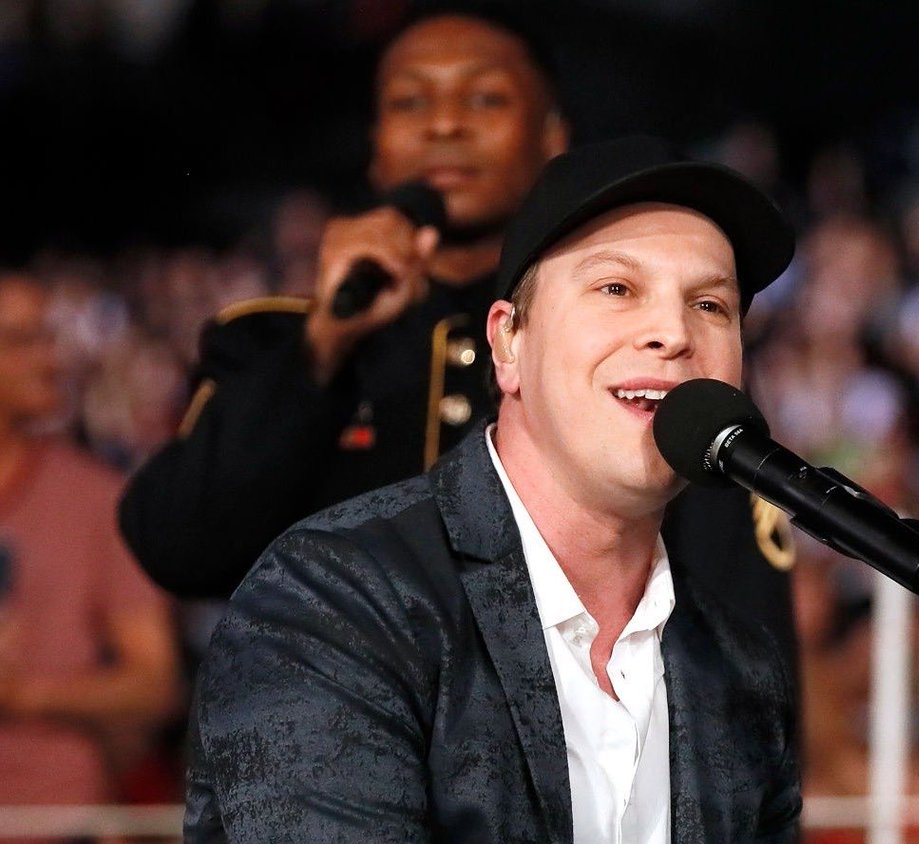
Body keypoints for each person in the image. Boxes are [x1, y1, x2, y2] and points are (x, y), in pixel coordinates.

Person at [117, 4, 796, 653]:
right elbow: (178, 548)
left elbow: (739, 618)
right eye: (410, 102)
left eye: (486, 99)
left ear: (552, 137)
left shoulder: (628, 350)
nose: (444, 125)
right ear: (376, 145)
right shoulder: (278, 342)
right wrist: (322, 345)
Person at [187, 135, 800, 843]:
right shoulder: (332, 601)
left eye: (711, 305)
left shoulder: (740, 666)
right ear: (509, 342)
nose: (673, 332)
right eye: (617, 289)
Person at [0, 273, 178, 813]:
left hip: (55, 819)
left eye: (49, 338)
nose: (50, 360)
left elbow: (154, 681)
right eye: (21, 340)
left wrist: (25, 695)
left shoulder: (93, 496)